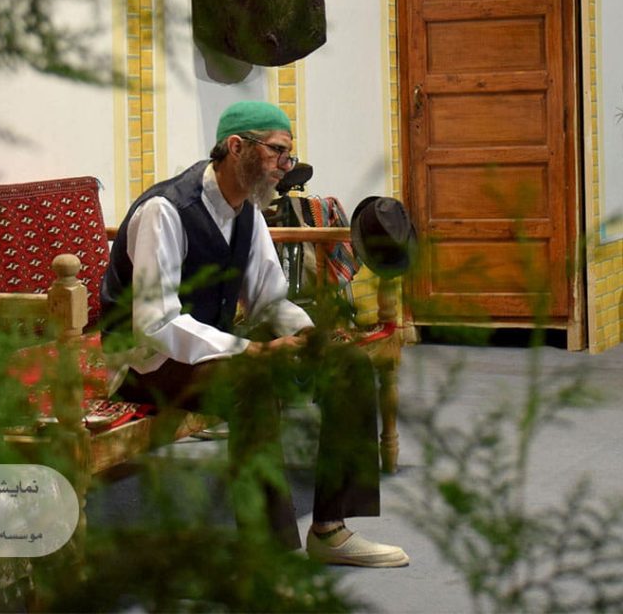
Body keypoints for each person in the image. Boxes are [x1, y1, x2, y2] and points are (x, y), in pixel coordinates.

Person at [100, 100, 409, 568]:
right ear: (236, 147)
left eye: (288, 155)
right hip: (143, 362)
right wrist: (253, 351)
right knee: (254, 382)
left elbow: (270, 299)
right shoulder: (167, 210)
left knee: (348, 367)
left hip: (212, 350)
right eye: (277, 152)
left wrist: (308, 336)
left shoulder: (247, 211)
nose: (285, 167)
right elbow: (155, 322)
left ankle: (331, 530)